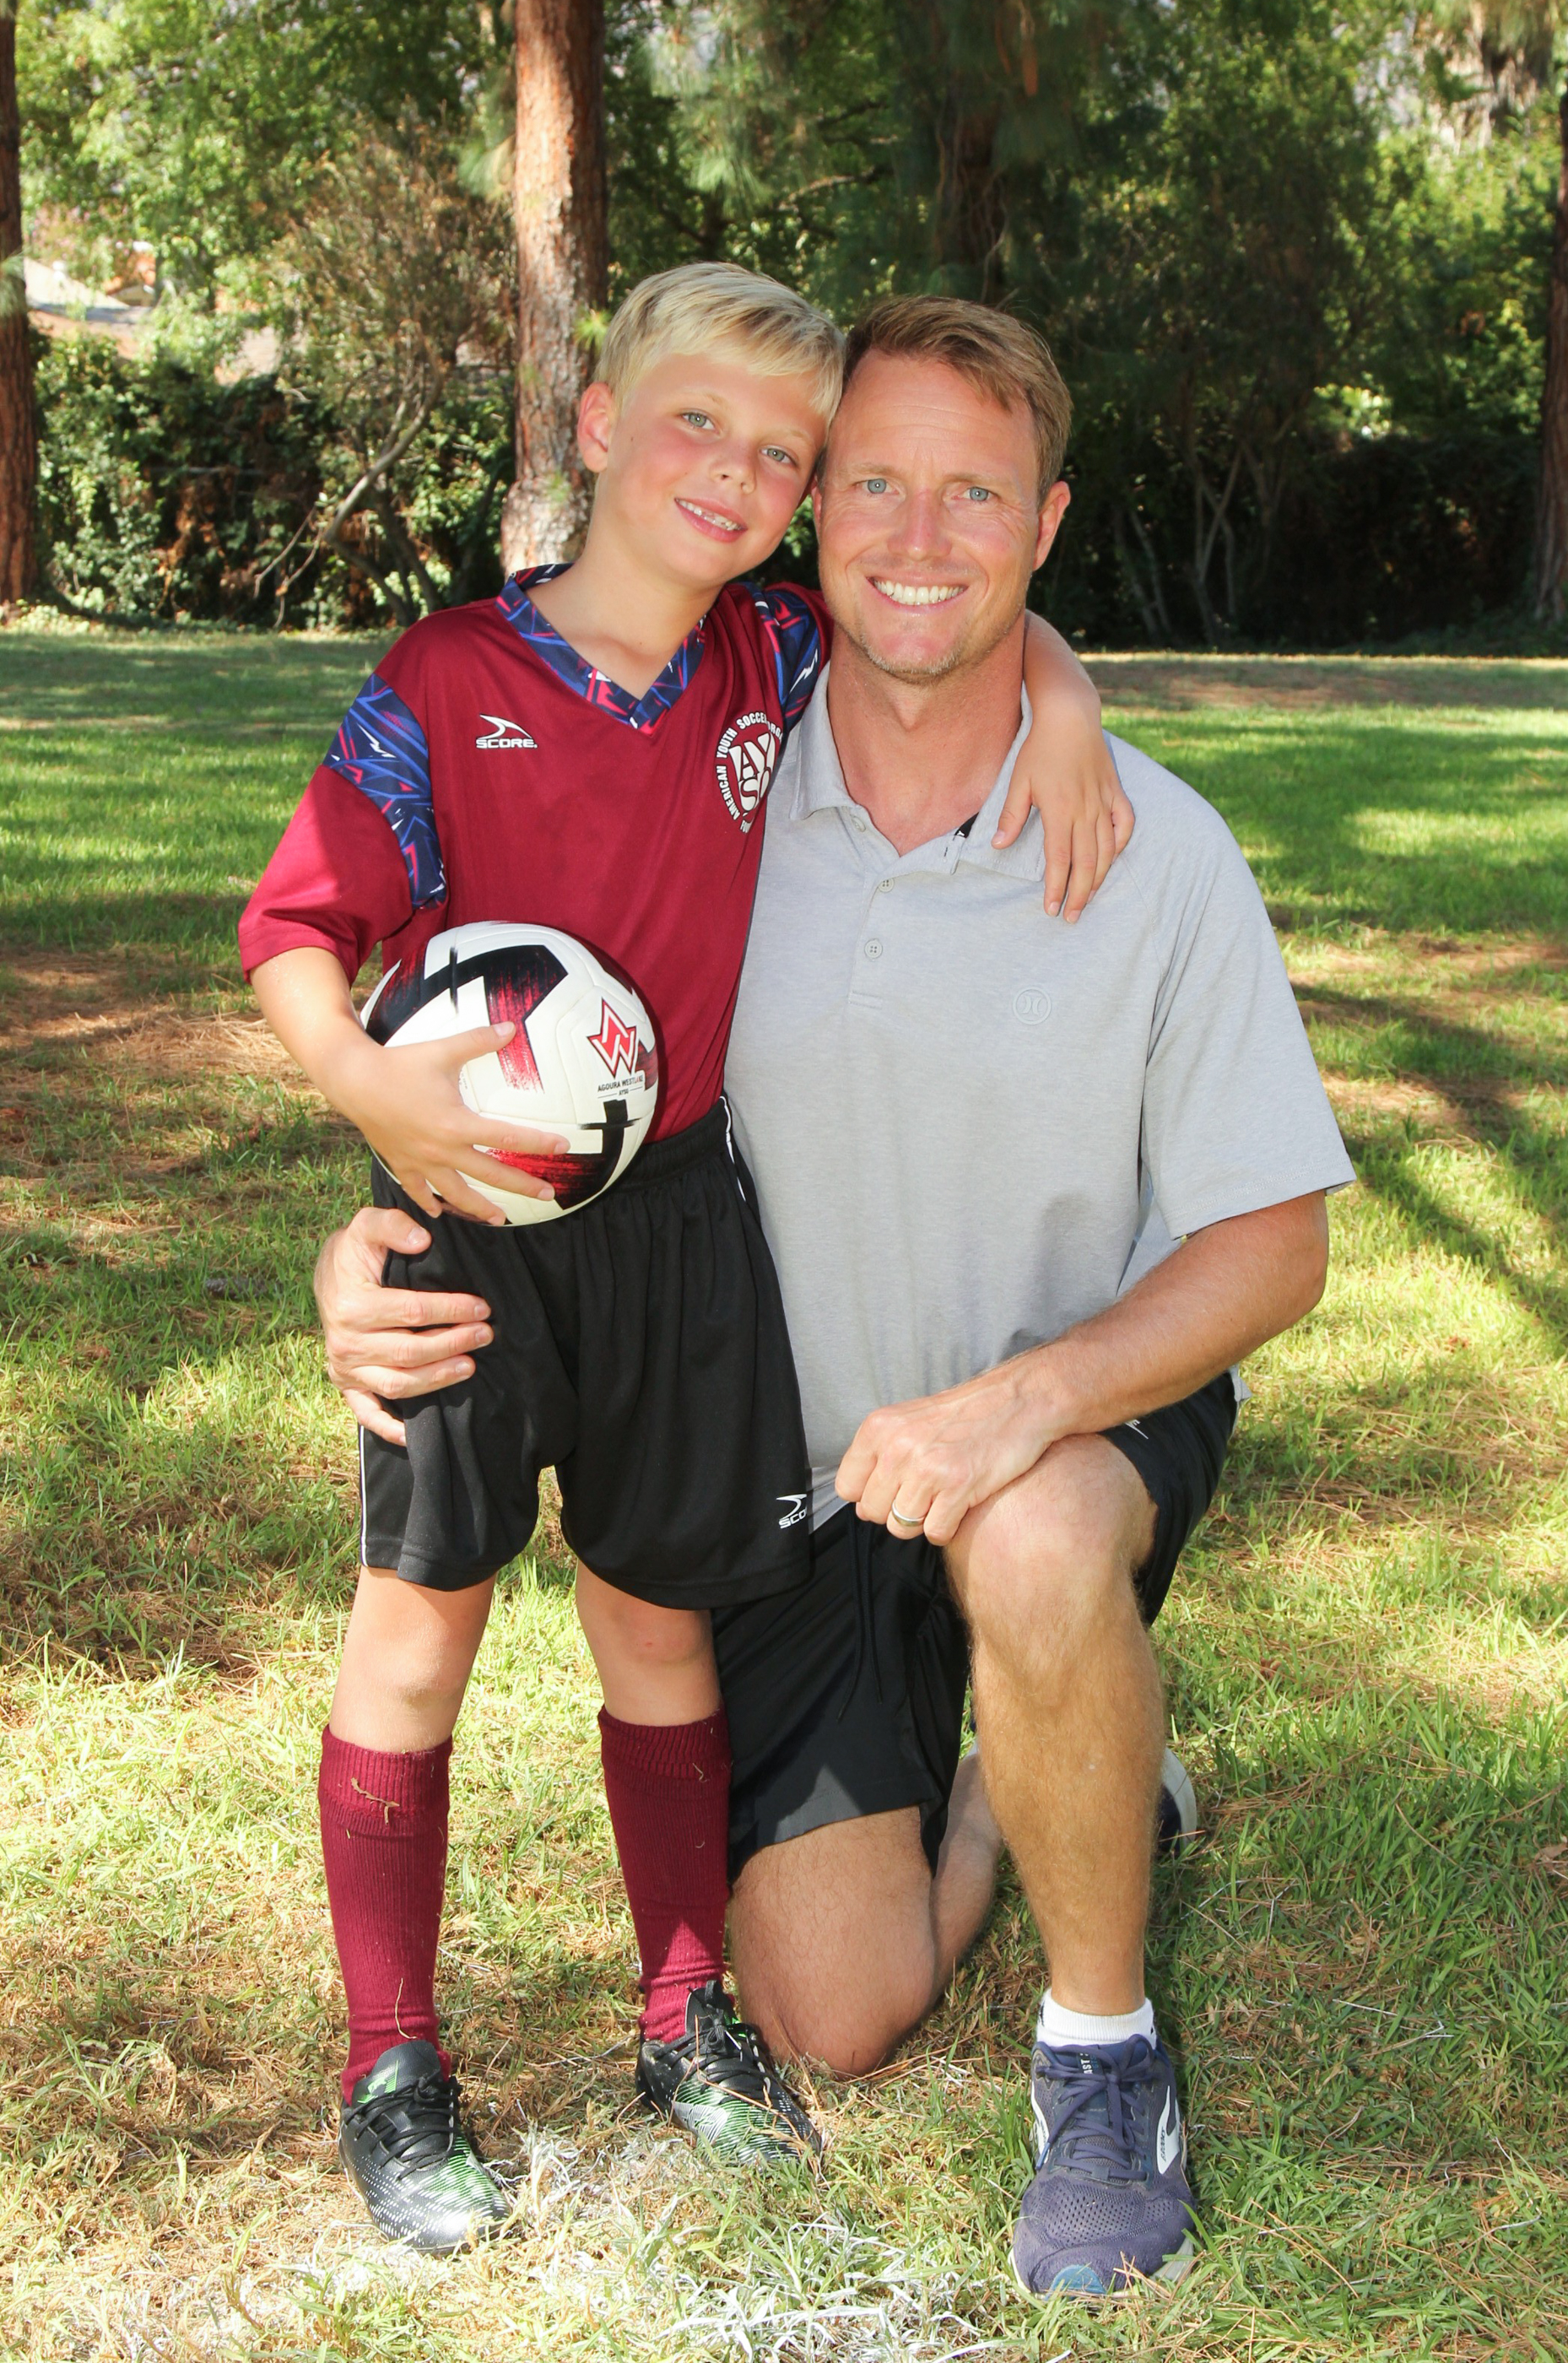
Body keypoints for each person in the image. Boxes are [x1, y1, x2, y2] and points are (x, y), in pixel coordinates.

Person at [312, 296, 1354, 2294]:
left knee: (1030, 1530)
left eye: (975, 493)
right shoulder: (705, 780)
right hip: (790, 1480)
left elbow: (1273, 1243)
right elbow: (495, 1044)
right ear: (807, 513)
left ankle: (1102, 2056)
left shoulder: (1153, 848)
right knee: (828, 2009)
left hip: (1060, 1424)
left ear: (1046, 524)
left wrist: (1019, 1402)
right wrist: (363, 1239)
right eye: (871, 481)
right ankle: (1055, 1774)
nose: (918, 536)